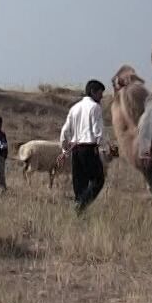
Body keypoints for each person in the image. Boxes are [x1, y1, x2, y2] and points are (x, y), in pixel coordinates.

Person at [60, 80, 107, 215]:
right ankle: (81, 206)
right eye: (100, 93)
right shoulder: (95, 107)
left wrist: (64, 149)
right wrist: (100, 148)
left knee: (79, 182)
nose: (101, 96)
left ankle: (79, 212)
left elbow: (65, 131)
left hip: (76, 149)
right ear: (93, 92)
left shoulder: (74, 108)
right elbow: (98, 131)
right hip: (89, 148)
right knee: (98, 180)